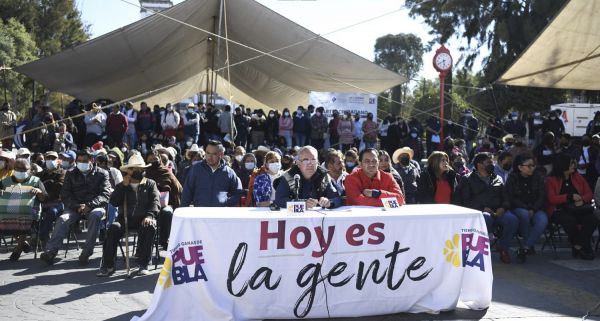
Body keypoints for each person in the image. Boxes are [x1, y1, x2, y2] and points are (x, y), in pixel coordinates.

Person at [40, 150, 111, 265]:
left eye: (85, 161)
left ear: (91, 161)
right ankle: (50, 252)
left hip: (95, 206)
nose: (81, 163)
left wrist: (89, 205)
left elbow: (105, 194)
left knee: (95, 216)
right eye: (79, 161)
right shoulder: (71, 173)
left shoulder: (102, 173)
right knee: (63, 219)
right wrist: (77, 206)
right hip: (75, 207)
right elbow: (65, 195)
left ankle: (86, 253)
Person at [97, 154, 160, 277]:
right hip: (124, 218)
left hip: (144, 218)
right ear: (129, 171)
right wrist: (122, 187)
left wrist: (150, 215)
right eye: (135, 169)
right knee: (113, 228)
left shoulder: (150, 184)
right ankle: (108, 266)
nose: (139, 171)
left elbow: (155, 202)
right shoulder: (122, 185)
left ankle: (143, 265)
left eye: (141, 169)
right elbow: (114, 202)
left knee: (150, 227)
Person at [458, 152, 518, 264]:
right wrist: (482, 208)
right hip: (480, 212)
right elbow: (465, 200)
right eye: (489, 162)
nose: (492, 164)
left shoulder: (498, 178)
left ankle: (503, 248)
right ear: (480, 164)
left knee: (512, 220)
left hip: (498, 211)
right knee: (486, 218)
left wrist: (503, 207)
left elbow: (505, 197)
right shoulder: (468, 179)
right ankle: (480, 252)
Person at [546, 153, 597, 260]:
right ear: (563, 165)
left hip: (578, 208)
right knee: (570, 221)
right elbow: (551, 199)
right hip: (559, 209)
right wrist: (569, 197)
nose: (573, 166)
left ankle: (577, 245)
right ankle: (585, 247)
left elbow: (589, 193)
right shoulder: (551, 180)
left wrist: (582, 199)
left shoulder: (577, 177)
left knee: (591, 219)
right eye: (571, 164)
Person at [3, 158, 48, 261]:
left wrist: (39, 192)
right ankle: (23, 242)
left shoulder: (35, 181)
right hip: (10, 210)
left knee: (25, 218)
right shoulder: (6, 181)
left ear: (29, 170)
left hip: (31, 210)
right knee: (5, 217)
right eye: (19, 169)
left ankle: (18, 249)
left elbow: (44, 198)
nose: (22, 171)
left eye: (25, 169)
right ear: (14, 169)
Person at [505, 154, 548, 260]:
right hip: (518, 207)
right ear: (520, 167)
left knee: (542, 220)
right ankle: (528, 243)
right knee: (524, 215)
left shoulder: (538, 177)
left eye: (533, 165)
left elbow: (541, 196)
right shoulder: (512, 177)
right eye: (529, 166)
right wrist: (526, 207)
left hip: (536, 208)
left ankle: (526, 246)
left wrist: (533, 209)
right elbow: (511, 197)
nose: (532, 168)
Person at [274, 146, 341, 209]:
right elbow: (279, 200)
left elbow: (337, 199)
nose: (310, 163)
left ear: (317, 162)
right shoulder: (289, 176)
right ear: (298, 163)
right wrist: (302, 204)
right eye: (305, 160)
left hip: (318, 218)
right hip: (294, 218)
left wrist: (329, 203)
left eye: (313, 160)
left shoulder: (324, 176)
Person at [181, 140, 242, 207]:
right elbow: (187, 192)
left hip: (221, 215)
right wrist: (183, 210)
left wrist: (227, 204)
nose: (210, 157)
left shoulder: (229, 172)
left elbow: (237, 192)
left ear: (221, 155)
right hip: (199, 213)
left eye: (214, 154)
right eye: (208, 153)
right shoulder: (196, 169)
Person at [145, 150, 182, 248]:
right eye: (150, 159)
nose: (153, 161)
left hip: (164, 204)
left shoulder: (166, 172)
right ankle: (143, 246)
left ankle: (164, 240)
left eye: (155, 159)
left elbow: (178, 189)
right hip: (147, 205)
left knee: (167, 212)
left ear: (159, 159)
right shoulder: (143, 173)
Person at [37, 151, 66, 248]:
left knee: (52, 212)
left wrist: (45, 183)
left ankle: (43, 235)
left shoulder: (63, 172)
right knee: (29, 212)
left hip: (57, 202)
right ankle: (33, 236)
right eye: (48, 158)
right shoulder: (40, 174)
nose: (50, 160)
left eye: (53, 158)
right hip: (41, 202)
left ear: (58, 160)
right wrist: (50, 183)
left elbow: (60, 186)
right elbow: (34, 185)